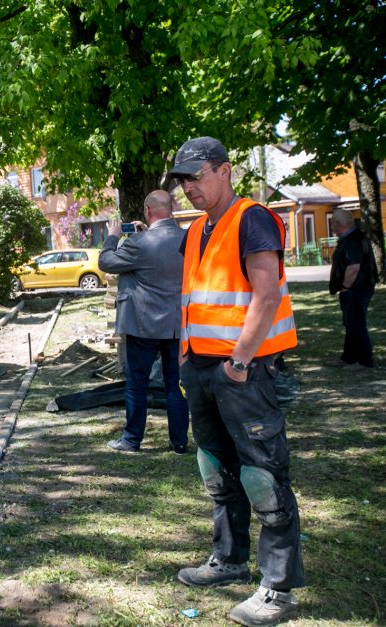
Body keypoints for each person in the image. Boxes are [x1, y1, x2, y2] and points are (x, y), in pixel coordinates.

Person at [165, 137, 303, 627]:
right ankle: (228, 559)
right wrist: (186, 361)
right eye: (182, 181)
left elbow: (265, 295)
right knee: (216, 469)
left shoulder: (253, 219)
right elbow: (192, 298)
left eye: (195, 177)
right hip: (201, 370)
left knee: (262, 476)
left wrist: (240, 362)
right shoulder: (196, 229)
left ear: (224, 170)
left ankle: (279, 587)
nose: (188, 189)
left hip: (243, 371)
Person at [99, 190, 189, 454]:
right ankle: (180, 442)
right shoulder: (189, 238)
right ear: (170, 209)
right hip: (177, 324)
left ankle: (131, 440)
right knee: (176, 384)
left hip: (143, 324)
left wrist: (114, 236)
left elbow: (106, 262)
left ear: (148, 211)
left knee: (137, 383)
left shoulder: (138, 243)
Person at [327, 208, 378, 370]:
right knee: (351, 323)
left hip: (357, 288)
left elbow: (353, 267)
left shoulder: (353, 240)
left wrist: (345, 287)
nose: (331, 227)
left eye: (332, 223)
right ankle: (349, 358)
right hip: (357, 287)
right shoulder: (351, 237)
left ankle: (364, 361)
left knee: (356, 323)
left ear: (338, 224)